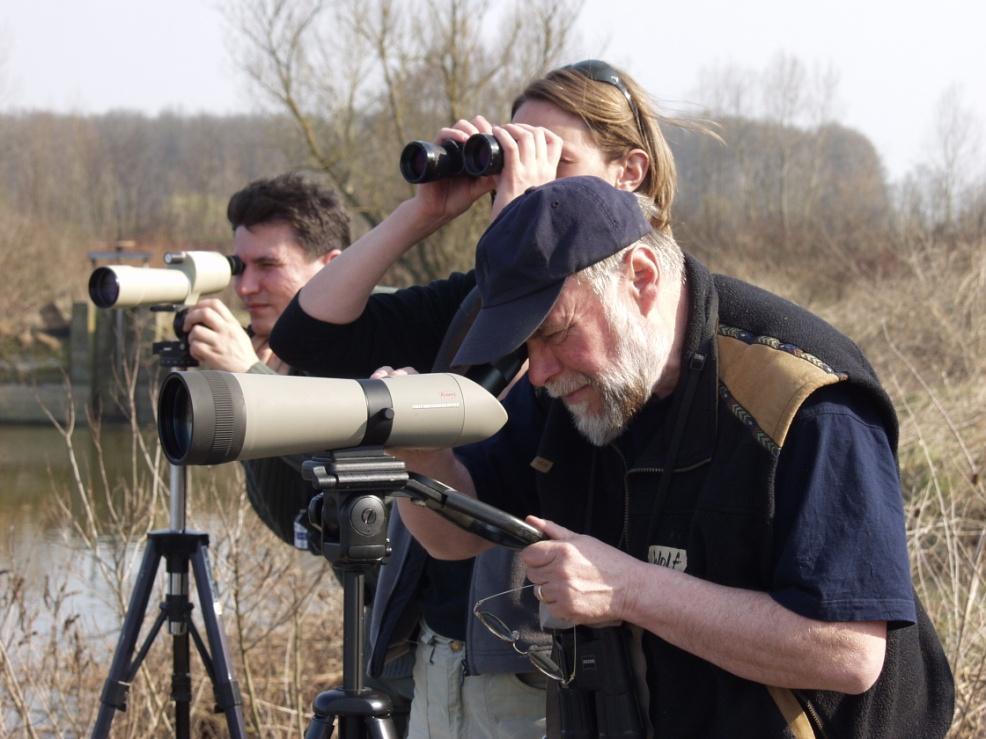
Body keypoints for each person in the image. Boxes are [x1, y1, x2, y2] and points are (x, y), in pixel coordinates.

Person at [390, 175, 955, 738]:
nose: (539, 372)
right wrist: (420, 458)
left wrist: (627, 588)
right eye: (524, 346)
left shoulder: (801, 397)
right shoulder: (573, 392)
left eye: (556, 332)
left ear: (641, 277)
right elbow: (455, 537)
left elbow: (849, 653)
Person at [270, 60, 678, 738]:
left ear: (628, 172)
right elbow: (305, 337)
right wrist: (425, 210)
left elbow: (524, 419)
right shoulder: (474, 303)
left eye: (555, 158)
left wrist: (524, 220)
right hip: (438, 645)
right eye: (516, 154)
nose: (529, 177)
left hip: (538, 666)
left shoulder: (634, 324)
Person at [181, 173, 414, 732]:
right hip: (375, 631)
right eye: (240, 267)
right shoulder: (280, 353)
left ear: (332, 266)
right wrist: (249, 391)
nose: (246, 287)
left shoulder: (388, 333)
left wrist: (256, 383)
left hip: (429, 634)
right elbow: (291, 522)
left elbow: (376, 482)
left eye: (268, 266)